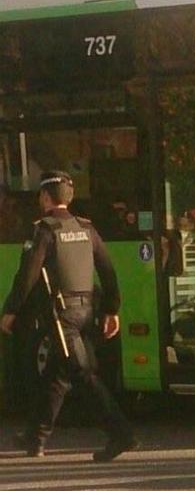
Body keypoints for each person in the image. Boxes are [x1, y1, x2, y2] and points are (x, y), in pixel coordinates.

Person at [0, 171, 137, 462]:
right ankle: (35, 438)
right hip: (87, 311)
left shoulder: (44, 231)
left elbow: (27, 276)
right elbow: (108, 271)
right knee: (57, 374)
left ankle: (120, 433)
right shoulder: (87, 229)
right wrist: (111, 309)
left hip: (62, 316)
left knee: (82, 374)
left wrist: (11, 310)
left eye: (40, 195)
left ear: (46, 198)